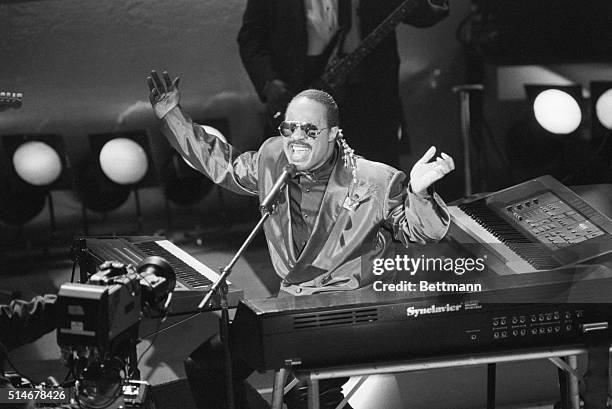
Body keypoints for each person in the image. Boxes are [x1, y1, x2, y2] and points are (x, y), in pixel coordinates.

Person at [147, 70, 454, 409]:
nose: (297, 137)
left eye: (309, 130)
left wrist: (420, 193)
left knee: (306, 395)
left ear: (334, 134)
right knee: (207, 367)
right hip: (290, 303)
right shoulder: (273, 158)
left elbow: (419, 232)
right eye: (289, 128)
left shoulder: (374, 179)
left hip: (348, 310)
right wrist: (171, 116)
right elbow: (223, 164)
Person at [237, 0, 450, 168]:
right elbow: (251, 37)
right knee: (305, 185)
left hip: (369, 94)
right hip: (301, 89)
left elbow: (418, 12)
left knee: (376, 178)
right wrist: (269, 83)